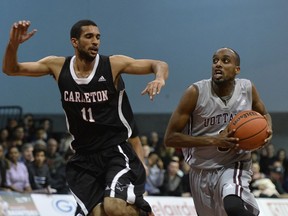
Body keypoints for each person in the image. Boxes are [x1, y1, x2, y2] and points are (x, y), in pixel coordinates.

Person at [2, 20, 168, 216]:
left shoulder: (112, 64)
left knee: (113, 207)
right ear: (74, 41)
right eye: (89, 37)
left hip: (114, 150)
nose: (95, 41)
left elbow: (158, 64)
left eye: (98, 37)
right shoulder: (57, 66)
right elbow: (11, 69)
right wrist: (13, 45)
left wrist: (159, 78)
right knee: (97, 214)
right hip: (83, 156)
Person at [164, 48, 272, 216]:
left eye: (225, 61)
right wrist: (214, 140)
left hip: (234, 163)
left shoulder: (247, 88)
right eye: (215, 61)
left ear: (237, 69)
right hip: (201, 169)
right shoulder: (195, 93)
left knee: (234, 206)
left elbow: (264, 114)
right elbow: (170, 138)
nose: (218, 65)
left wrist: (268, 128)